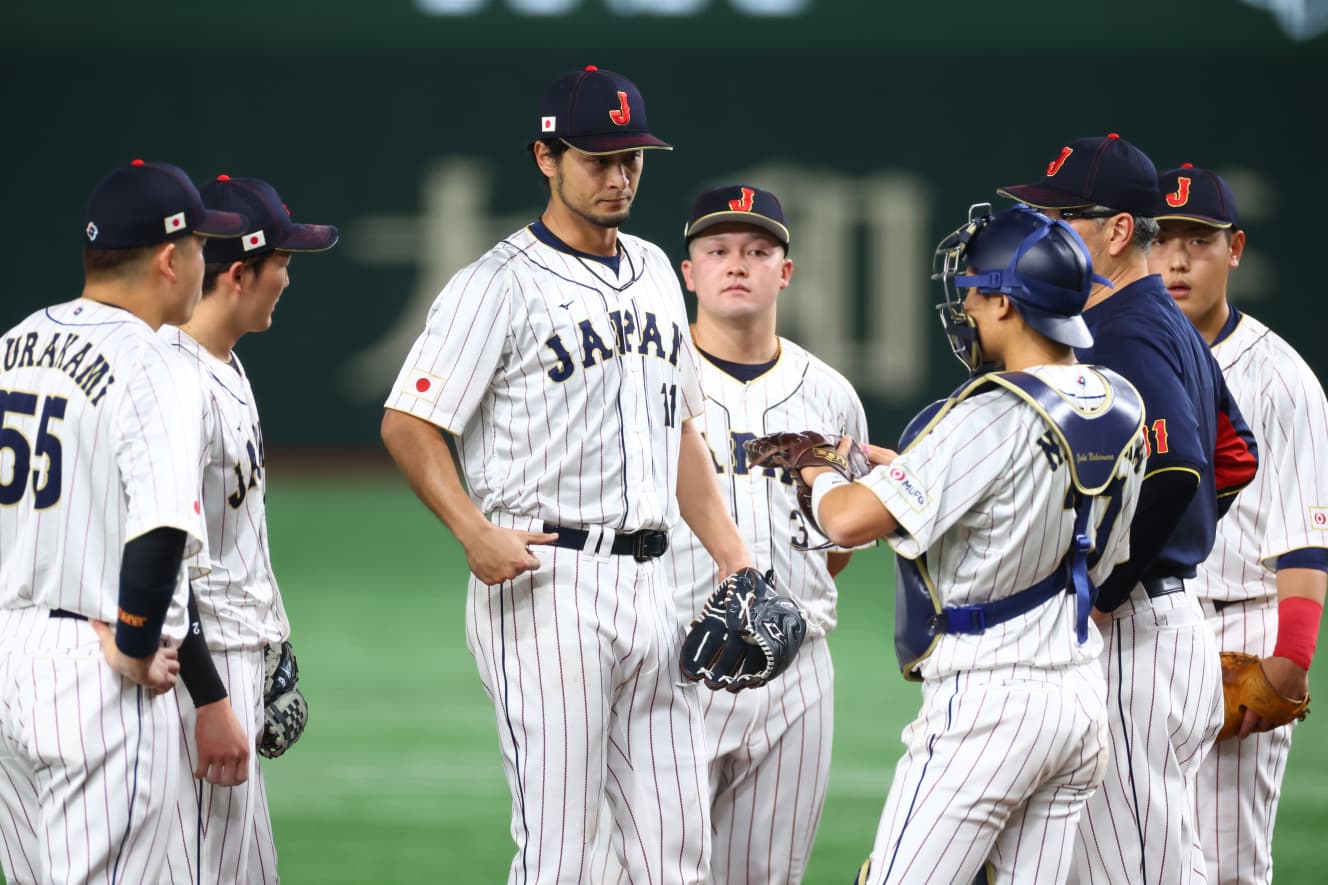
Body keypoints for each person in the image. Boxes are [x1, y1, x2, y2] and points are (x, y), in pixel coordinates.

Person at [379, 66, 759, 885]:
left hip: (655, 585)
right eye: (598, 157)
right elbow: (409, 423)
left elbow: (680, 428)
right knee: (561, 851)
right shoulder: (497, 283)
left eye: (633, 157)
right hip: (547, 583)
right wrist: (470, 529)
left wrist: (735, 558)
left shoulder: (660, 268)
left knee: (675, 848)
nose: (620, 174)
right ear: (546, 157)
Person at [803, 203, 1147, 884]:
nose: (966, 306)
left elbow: (843, 520)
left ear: (1008, 304)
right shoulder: (1122, 401)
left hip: (989, 703)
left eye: (974, 292)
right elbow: (1098, 558)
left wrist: (813, 469)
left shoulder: (988, 411)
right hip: (1079, 694)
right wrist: (903, 468)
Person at [998, 134, 1260, 884]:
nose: (1044, 231)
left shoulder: (1126, 325)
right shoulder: (1162, 317)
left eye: (1063, 216)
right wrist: (1175, 543)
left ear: (1118, 232)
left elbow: (1182, 464)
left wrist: (1114, 586)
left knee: (1140, 868)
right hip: (1165, 622)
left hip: (1137, 635)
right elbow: (1236, 454)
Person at [593, 184, 869, 885]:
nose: (736, 264)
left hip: (797, 675)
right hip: (672, 664)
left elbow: (839, 540)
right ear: (688, 272)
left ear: (787, 270)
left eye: (757, 250)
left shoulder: (830, 393)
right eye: (716, 251)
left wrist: (785, 605)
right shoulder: (643, 384)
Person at [0, 159, 245, 884]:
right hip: (94, 669)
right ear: (172, 258)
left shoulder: (13, 344)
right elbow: (163, 527)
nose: (208, 262)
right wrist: (138, 645)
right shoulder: (158, 365)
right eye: (204, 246)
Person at [1150, 163, 1326, 885]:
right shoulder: (1120, 353)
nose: (1179, 260)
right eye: (1163, 240)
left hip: (1237, 629)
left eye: (1200, 240)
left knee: (1224, 865)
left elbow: (1305, 533)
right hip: (1137, 629)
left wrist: (1292, 656)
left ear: (1236, 249)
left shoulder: (1283, 379)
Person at [160, 174, 339, 883]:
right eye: (283, 262)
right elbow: (162, 556)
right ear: (238, 273)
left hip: (235, 652)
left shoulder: (226, 363)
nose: (288, 279)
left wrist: (272, 644)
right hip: (192, 670)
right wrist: (210, 693)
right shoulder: (176, 384)